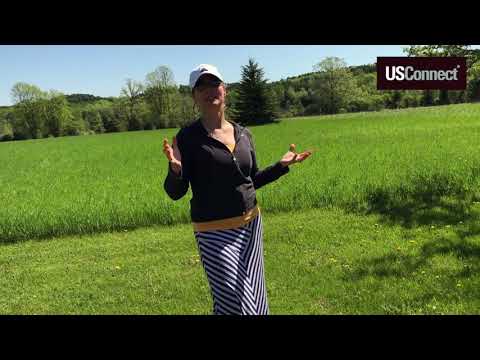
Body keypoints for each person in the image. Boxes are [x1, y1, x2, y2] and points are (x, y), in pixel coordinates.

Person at [163, 64, 312, 315]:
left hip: (250, 225)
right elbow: (175, 192)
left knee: (254, 295)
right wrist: (176, 170)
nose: (210, 91)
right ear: (194, 97)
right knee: (234, 301)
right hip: (212, 231)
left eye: (214, 84)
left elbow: (250, 180)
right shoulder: (187, 137)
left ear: (225, 89)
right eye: (202, 87)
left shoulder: (243, 134)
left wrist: (281, 166)